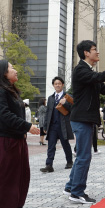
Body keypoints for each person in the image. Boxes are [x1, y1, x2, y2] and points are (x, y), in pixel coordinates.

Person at [64, 40, 105, 204]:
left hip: (85, 119)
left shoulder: (88, 72)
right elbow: (100, 77)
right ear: (86, 53)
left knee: (82, 155)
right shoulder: (81, 70)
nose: (97, 52)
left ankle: (71, 187)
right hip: (81, 119)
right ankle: (77, 192)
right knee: (84, 157)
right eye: (95, 49)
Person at [0, 60, 40, 208]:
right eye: (11, 67)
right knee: (7, 183)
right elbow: (4, 115)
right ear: (4, 73)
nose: (15, 70)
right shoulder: (1, 91)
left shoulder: (12, 91)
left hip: (18, 142)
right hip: (7, 142)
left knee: (20, 179)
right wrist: (27, 126)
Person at [40, 77, 74, 173]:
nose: (57, 85)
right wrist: (45, 126)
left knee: (65, 144)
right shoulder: (51, 98)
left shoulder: (67, 97)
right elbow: (48, 113)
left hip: (63, 125)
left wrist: (65, 103)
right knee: (51, 146)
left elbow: (72, 109)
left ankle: (69, 161)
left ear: (62, 85)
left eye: (59, 83)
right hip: (52, 126)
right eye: (56, 84)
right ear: (53, 85)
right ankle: (49, 165)